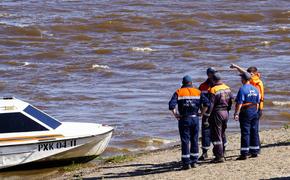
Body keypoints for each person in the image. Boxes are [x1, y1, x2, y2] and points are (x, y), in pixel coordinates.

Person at [169, 75, 209, 170]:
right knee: (194, 140)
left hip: (184, 119)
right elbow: (207, 104)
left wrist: (176, 115)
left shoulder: (178, 92)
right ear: (191, 83)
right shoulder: (198, 92)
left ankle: (186, 163)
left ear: (183, 83)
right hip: (195, 118)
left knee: (185, 140)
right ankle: (194, 161)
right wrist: (202, 113)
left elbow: (171, 106)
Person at [202, 73, 234, 163]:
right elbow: (232, 99)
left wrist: (207, 116)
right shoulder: (227, 87)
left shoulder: (213, 89)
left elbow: (211, 105)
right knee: (223, 133)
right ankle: (223, 152)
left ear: (213, 80)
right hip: (226, 113)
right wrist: (228, 109)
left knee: (217, 135)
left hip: (217, 113)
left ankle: (219, 156)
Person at [234, 72, 260, 160]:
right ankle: (255, 151)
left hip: (246, 111)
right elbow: (258, 102)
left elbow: (239, 103)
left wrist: (236, 113)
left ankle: (244, 153)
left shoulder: (242, 89)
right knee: (254, 131)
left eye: (241, 78)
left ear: (244, 79)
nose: (241, 79)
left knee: (245, 132)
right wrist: (256, 111)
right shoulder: (256, 89)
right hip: (254, 111)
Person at [198, 67, 216, 161]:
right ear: (208, 74)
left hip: (217, 113)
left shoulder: (219, 85)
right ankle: (205, 153)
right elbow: (198, 100)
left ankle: (220, 151)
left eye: (215, 73)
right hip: (206, 113)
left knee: (219, 132)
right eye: (213, 73)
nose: (214, 75)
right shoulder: (202, 86)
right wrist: (202, 112)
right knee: (205, 133)